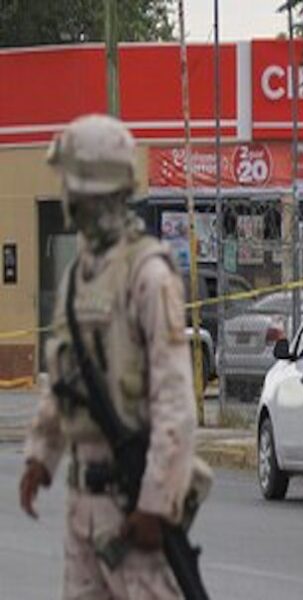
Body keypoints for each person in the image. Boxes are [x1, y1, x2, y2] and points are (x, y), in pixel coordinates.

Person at [19, 114, 201, 598]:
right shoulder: (79, 274)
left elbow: (175, 402)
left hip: (130, 502)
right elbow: (64, 377)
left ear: (88, 189)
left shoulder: (148, 275)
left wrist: (157, 502)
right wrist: (41, 456)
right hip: (83, 503)